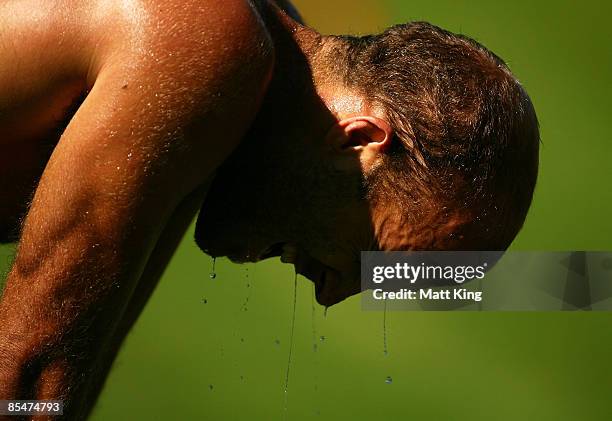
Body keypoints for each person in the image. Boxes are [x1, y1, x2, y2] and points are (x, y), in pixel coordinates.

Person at [0, 0, 539, 418]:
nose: (331, 294)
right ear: (359, 140)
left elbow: (66, 376)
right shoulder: (208, 51)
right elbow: (31, 372)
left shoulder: (260, 73)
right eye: (369, 254)